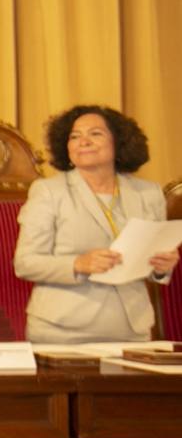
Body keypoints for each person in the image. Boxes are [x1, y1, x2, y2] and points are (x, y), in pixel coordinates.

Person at [14, 105, 179, 342]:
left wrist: (162, 266)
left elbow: (154, 263)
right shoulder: (48, 192)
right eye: (74, 136)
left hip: (132, 330)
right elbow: (25, 263)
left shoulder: (148, 192)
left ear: (119, 142)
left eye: (95, 134)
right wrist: (78, 263)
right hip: (63, 330)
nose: (84, 141)